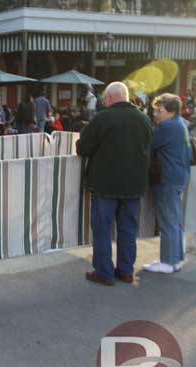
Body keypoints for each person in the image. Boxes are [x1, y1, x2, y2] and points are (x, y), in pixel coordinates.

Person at [76, 82, 153, 286]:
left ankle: (104, 273)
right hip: (134, 185)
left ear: (109, 98)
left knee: (102, 229)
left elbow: (82, 148)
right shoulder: (144, 119)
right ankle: (126, 272)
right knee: (128, 229)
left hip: (105, 185)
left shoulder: (102, 118)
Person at [143, 93, 192, 274]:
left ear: (170, 111)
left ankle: (168, 262)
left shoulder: (167, 126)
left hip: (167, 178)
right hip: (178, 176)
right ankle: (175, 259)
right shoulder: (180, 124)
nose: (156, 114)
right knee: (175, 219)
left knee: (168, 220)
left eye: (159, 110)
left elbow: (148, 144)